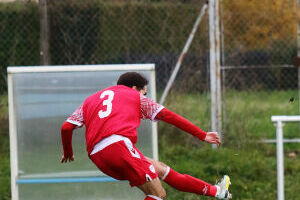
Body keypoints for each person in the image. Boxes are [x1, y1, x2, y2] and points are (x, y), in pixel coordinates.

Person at [60, 72, 231, 200]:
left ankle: (217, 191)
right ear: (135, 88)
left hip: (98, 156)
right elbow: (169, 116)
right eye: (145, 92)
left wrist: (68, 152)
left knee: (160, 168)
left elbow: (66, 128)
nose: (145, 96)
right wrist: (202, 134)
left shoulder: (90, 100)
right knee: (158, 194)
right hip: (118, 147)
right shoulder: (135, 96)